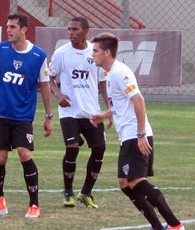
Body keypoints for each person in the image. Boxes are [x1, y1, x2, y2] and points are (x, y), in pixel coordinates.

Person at [90, 32, 185, 230]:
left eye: (96, 51)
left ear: (107, 52)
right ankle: (160, 227)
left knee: (135, 181)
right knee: (124, 182)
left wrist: (141, 135)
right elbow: (121, 104)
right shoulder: (110, 74)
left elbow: (138, 100)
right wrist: (105, 115)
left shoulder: (119, 72)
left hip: (135, 135)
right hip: (129, 136)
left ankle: (175, 225)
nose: (93, 54)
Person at [0, 12, 53, 218]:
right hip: (0, 114)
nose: (8, 30)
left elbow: (45, 87)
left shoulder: (39, 56)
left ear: (23, 30)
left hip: (23, 116)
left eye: (12, 27)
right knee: (1, 159)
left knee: (24, 153)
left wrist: (49, 117)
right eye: (7, 27)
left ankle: (34, 205)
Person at [49, 17, 112, 209]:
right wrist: (58, 95)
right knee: (72, 147)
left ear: (86, 31)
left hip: (91, 111)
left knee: (100, 148)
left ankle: (86, 192)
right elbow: (49, 78)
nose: (70, 32)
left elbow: (102, 82)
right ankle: (68, 192)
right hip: (69, 111)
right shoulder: (61, 53)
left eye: (74, 29)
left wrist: (108, 106)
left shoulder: (95, 52)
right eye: (68, 29)